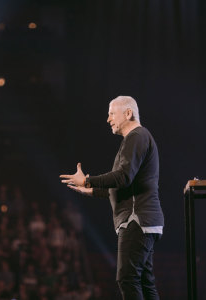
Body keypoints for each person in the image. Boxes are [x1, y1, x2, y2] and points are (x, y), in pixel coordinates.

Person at [60, 96, 164, 300]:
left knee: (127, 278)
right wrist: (93, 190)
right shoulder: (138, 138)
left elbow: (123, 177)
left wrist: (88, 181)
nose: (108, 119)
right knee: (143, 280)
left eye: (111, 113)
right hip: (145, 220)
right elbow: (125, 183)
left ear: (128, 113)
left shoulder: (136, 136)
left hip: (137, 219)